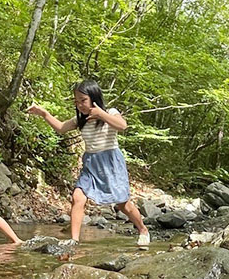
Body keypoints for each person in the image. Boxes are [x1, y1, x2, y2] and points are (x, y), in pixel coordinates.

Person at [27, 80, 151, 247]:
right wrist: (44, 113)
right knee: (77, 197)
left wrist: (100, 114)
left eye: (83, 100)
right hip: (91, 163)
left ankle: (143, 229)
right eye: (76, 101)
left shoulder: (110, 112)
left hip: (111, 163)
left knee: (123, 204)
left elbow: (122, 126)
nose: (80, 105)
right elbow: (61, 128)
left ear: (94, 97)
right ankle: (74, 240)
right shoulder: (81, 119)